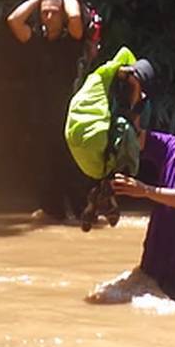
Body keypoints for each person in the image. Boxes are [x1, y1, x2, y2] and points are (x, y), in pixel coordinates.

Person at [85, 95, 175, 304]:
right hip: (153, 261)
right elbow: (134, 136)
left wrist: (145, 191)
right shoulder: (171, 147)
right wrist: (136, 95)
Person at [5, 0, 102, 222]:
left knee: (73, 167)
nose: (48, 16)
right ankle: (52, 211)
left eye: (53, 13)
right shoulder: (36, 39)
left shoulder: (72, 41)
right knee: (46, 167)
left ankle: (84, 211)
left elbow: (75, 17)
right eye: (44, 13)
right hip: (43, 115)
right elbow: (14, 21)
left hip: (70, 115)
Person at [64, 47, 154, 231]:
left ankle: (99, 194)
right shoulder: (129, 81)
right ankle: (108, 191)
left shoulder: (104, 79)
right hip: (95, 138)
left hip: (77, 140)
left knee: (112, 146)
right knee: (130, 139)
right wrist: (137, 90)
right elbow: (134, 125)